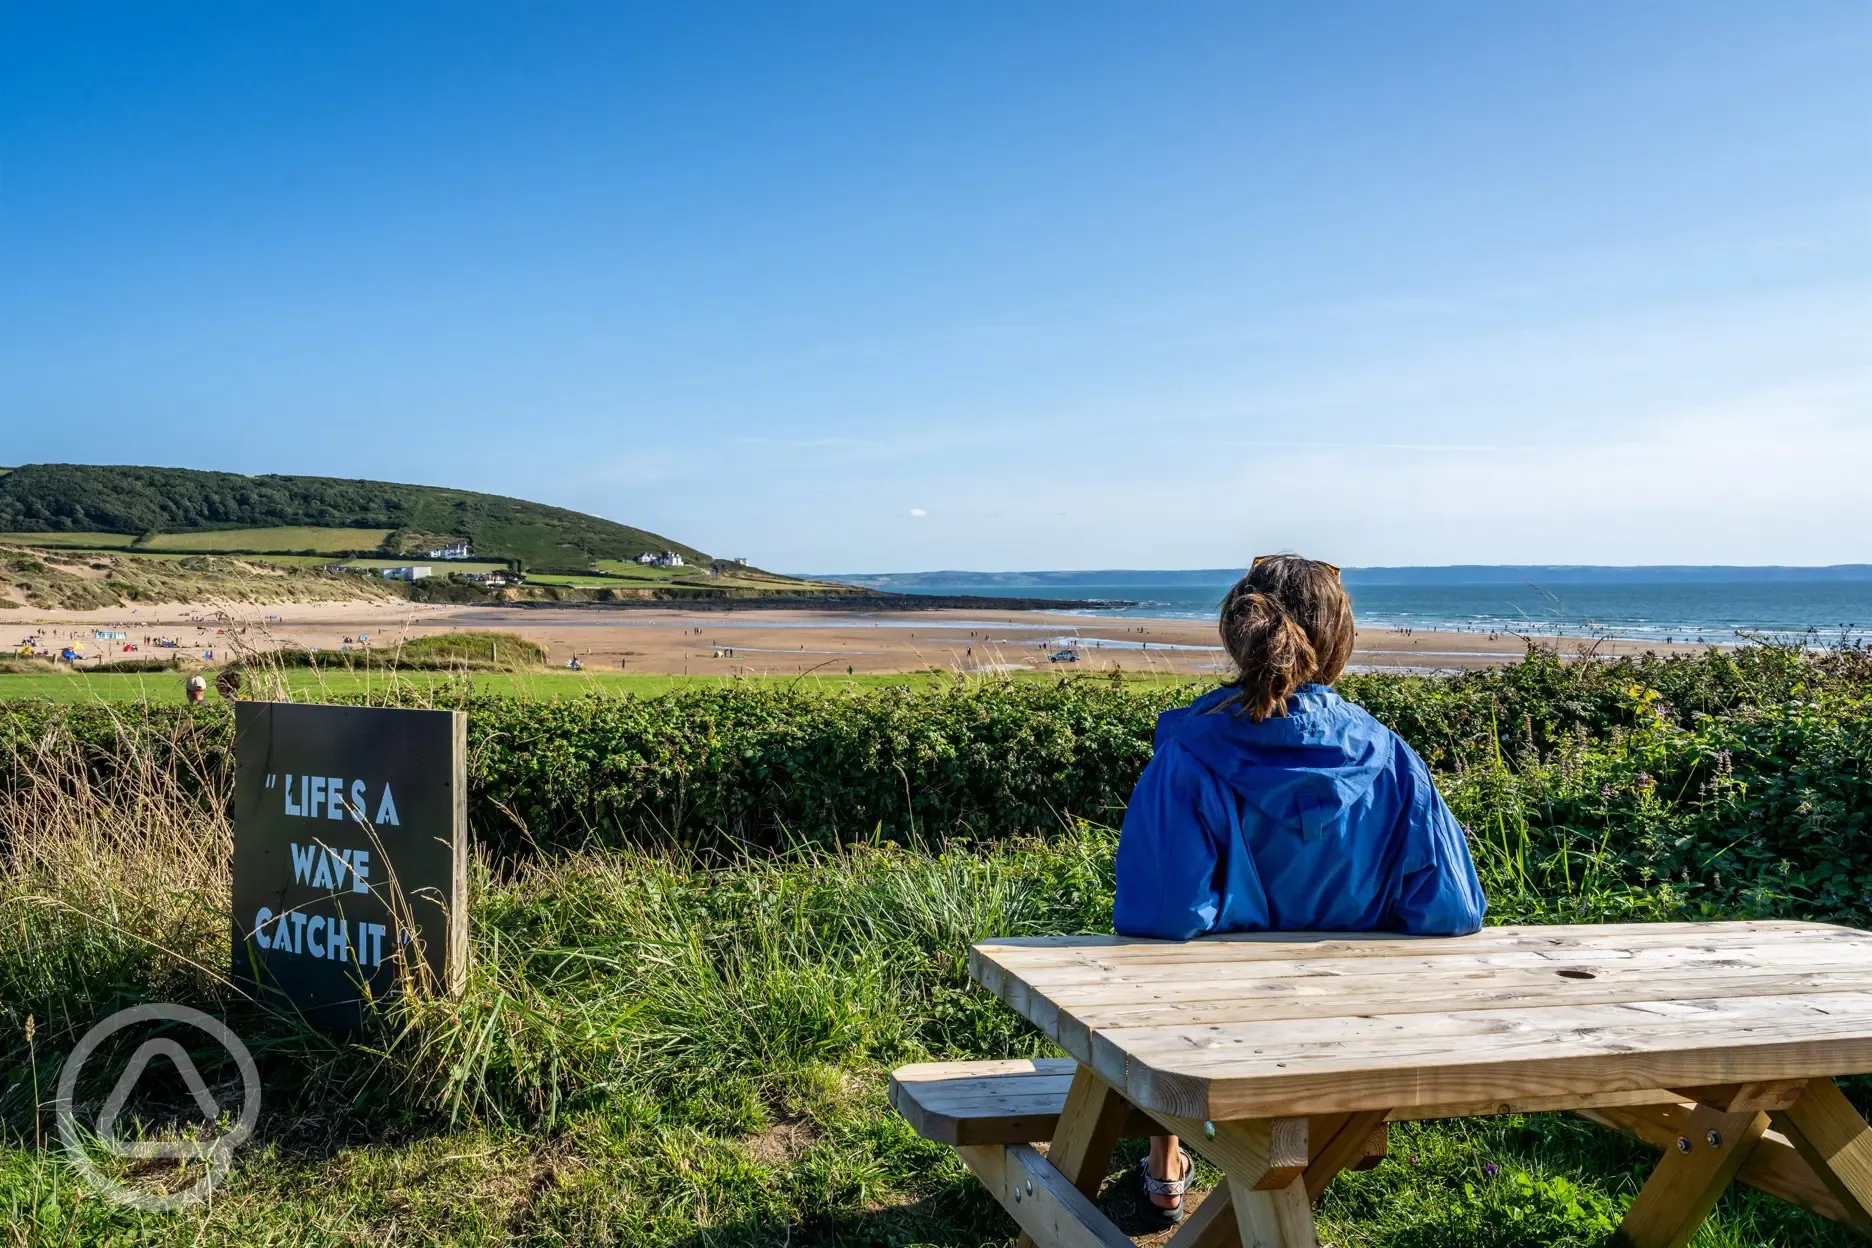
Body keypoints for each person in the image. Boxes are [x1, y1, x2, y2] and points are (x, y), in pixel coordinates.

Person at [1112, 554, 1486, 1224]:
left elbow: (1160, 918)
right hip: (1350, 1040)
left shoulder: (1190, 757)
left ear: (1242, 635)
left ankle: (1165, 1161)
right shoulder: (1391, 758)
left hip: (1212, 1043)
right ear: (1337, 640)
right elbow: (1452, 910)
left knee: (1161, 990)